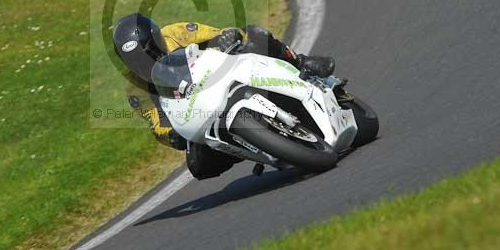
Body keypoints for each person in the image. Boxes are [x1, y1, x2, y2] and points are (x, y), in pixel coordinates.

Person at [112, 13, 335, 180]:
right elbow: (156, 123)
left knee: (255, 36)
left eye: (148, 54)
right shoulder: (134, 90)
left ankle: (301, 62)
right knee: (198, 166)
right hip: (199, 112)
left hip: (220, 73)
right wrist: (171, 134)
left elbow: (219, 33)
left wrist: (226, 37)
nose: (144, 64)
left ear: (158, 39)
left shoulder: (177, 33)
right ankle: (253, 146)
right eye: (136, 62)